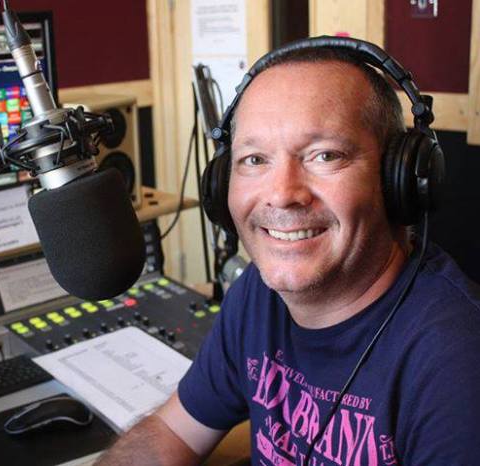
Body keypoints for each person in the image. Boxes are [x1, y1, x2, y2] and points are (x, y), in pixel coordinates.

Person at [96, 40, 480, 466]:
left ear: (398, 179)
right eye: (254, 159)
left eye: (324, 155)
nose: (281, 194)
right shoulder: (257, 295)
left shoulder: (457, 362)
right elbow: (173, 431)